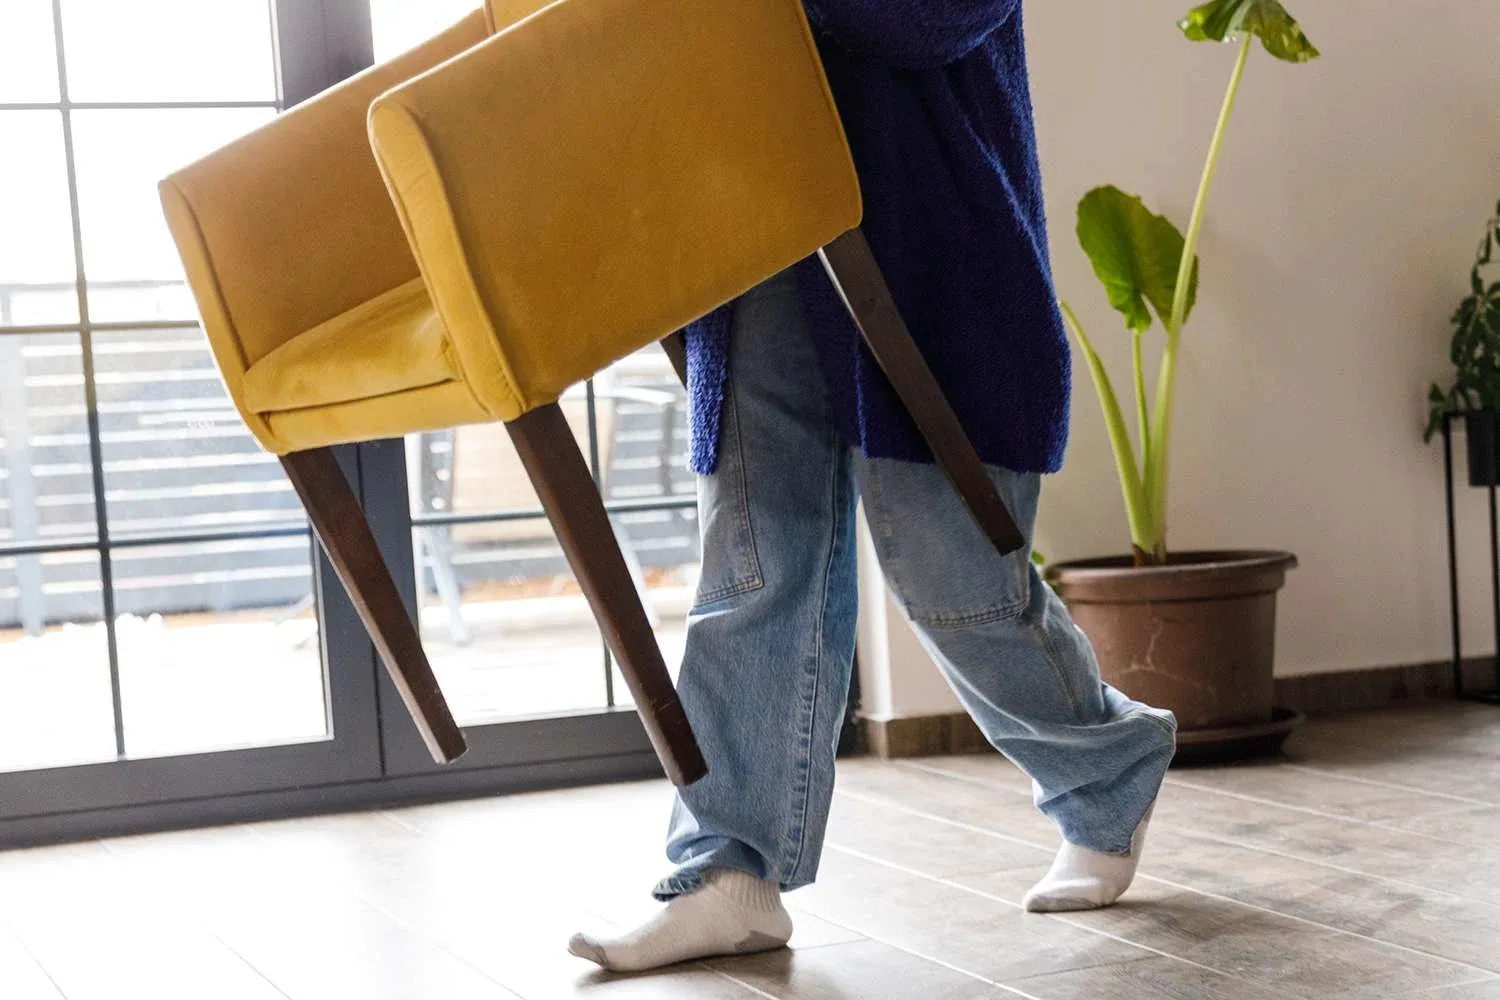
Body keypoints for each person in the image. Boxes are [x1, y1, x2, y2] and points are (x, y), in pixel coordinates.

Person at [569, 0, 1177, 974]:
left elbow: (923, 21)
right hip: (757, 234)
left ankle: (1107, 767)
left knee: (959, 584)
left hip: (934, 256)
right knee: (753, 563)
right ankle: (729, 868)